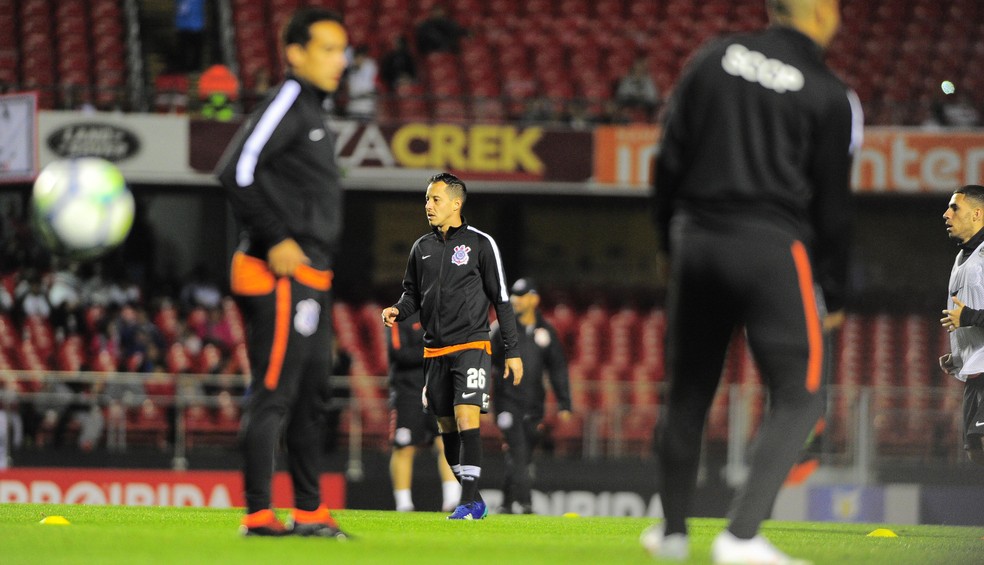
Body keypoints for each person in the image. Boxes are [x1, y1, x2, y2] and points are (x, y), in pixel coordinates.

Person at [643, 0, 862, 562]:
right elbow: (833, 206)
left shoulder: (715, 56)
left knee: (688, 391)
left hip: (696, 239)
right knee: (802, 394)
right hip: (770, 245)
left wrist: (667, 240)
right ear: (819, 14)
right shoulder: (828, 92)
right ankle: (740, 537)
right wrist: (834, 290)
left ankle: (671, 533)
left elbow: (668, 155)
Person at [214, 8, 349, 538]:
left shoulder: (313, 110)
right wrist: (275, 237)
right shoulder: (289, 101)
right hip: (277, 275)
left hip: (312, 276)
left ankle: (310, 513)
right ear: (295, 53)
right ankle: (258, 515)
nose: (340, 61)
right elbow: (235, 170)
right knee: (274, 393)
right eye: (328, 49)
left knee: (313, 398)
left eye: (343, 51)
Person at [381, 172, 523, 520]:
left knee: (465, 416)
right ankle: (475, 499)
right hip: (434, 352)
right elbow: (413, 295)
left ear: (456, 204)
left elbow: (501, 299)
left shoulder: (481, 244)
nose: (428, 206)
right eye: (427, 199)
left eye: (436, 199)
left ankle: (468, 503)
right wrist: (398, 310)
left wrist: (513, 351)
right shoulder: (421, 248)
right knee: (446, 428)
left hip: (471, 345)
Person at [490, 277, 571, 514]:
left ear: (534, 299)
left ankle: (506, 503)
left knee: (522, 453)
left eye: (521, 295)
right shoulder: (501, 329)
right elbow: (484, 360)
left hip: (533, 404)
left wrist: (564, 402)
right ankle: (525, 503)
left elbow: (557, 368)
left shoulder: (546, 331)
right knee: (518, 448)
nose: (515, 300)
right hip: (506, 401)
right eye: (514, 295)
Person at [387, 311, 461, 512]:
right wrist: (434, 347)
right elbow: (399, 352)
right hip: (408, 391)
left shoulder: (443, 313)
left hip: (440, 387)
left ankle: (452, 500)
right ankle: (403, 504)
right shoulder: (399, 316)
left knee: (446, 442)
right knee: (404, 446)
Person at [939, 184, 984, 469]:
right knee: (975, 450)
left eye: (955, 208)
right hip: (976, 369)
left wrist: (969, 317)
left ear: (977, 213)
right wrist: (957, 356)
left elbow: (968, 314)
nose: (946, 214)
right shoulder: (962, 257)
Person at [345, 45, 378, 121]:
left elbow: (369, 85)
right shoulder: (351, 69)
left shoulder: (369, 65)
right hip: (354, 103)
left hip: (366, 101)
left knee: (367, 124)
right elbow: (350, 86)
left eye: (359, 58)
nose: (357, 60)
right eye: (356, 58)